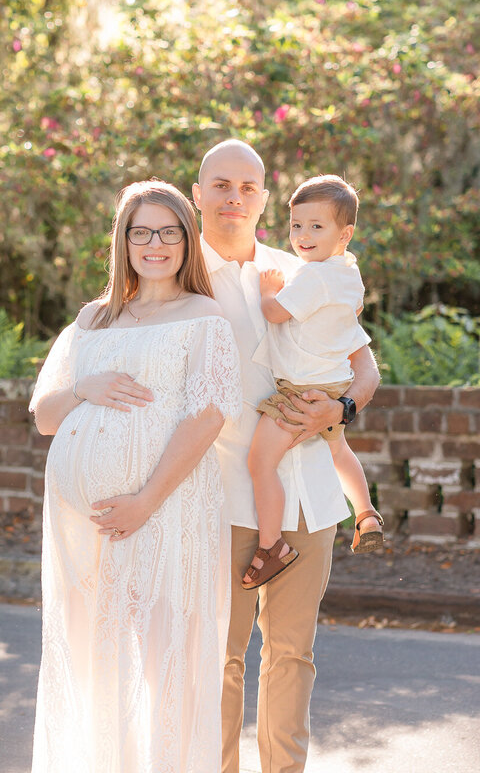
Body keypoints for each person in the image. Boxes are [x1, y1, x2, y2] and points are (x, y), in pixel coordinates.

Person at [28, 179, 242, 773]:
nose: (155, 244)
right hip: (85, 529)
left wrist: (145, 500)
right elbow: (45, 417)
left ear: (186, 240)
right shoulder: (94, 318)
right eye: (142, 231)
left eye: (169, 232)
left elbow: (209, 415)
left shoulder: (205, 317)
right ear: (123, 240)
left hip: (164, 512)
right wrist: (82, 387)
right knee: (94, 662)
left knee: (163, 662)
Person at [192, 140, 381, 773]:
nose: (233, 197)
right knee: (221, 656)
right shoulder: (180, 275)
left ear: (264, 199)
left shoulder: (303, 266)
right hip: (227, 494)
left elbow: (364, 363)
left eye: (247, 186)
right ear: (198, 194)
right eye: (220, 184)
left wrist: (343, 411)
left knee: (293, 655)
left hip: (313, 494)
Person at [241, 174, 383, 590]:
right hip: (335, 386)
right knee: (338, 448)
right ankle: (366, 512)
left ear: (345, 233)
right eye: (296, 225)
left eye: (316, 227)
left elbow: (276, 314)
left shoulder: (312, 276)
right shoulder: (348, 272)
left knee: (260, 462)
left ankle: (272, 547)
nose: (302, 236)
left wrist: (269, 291)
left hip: (300, 392)